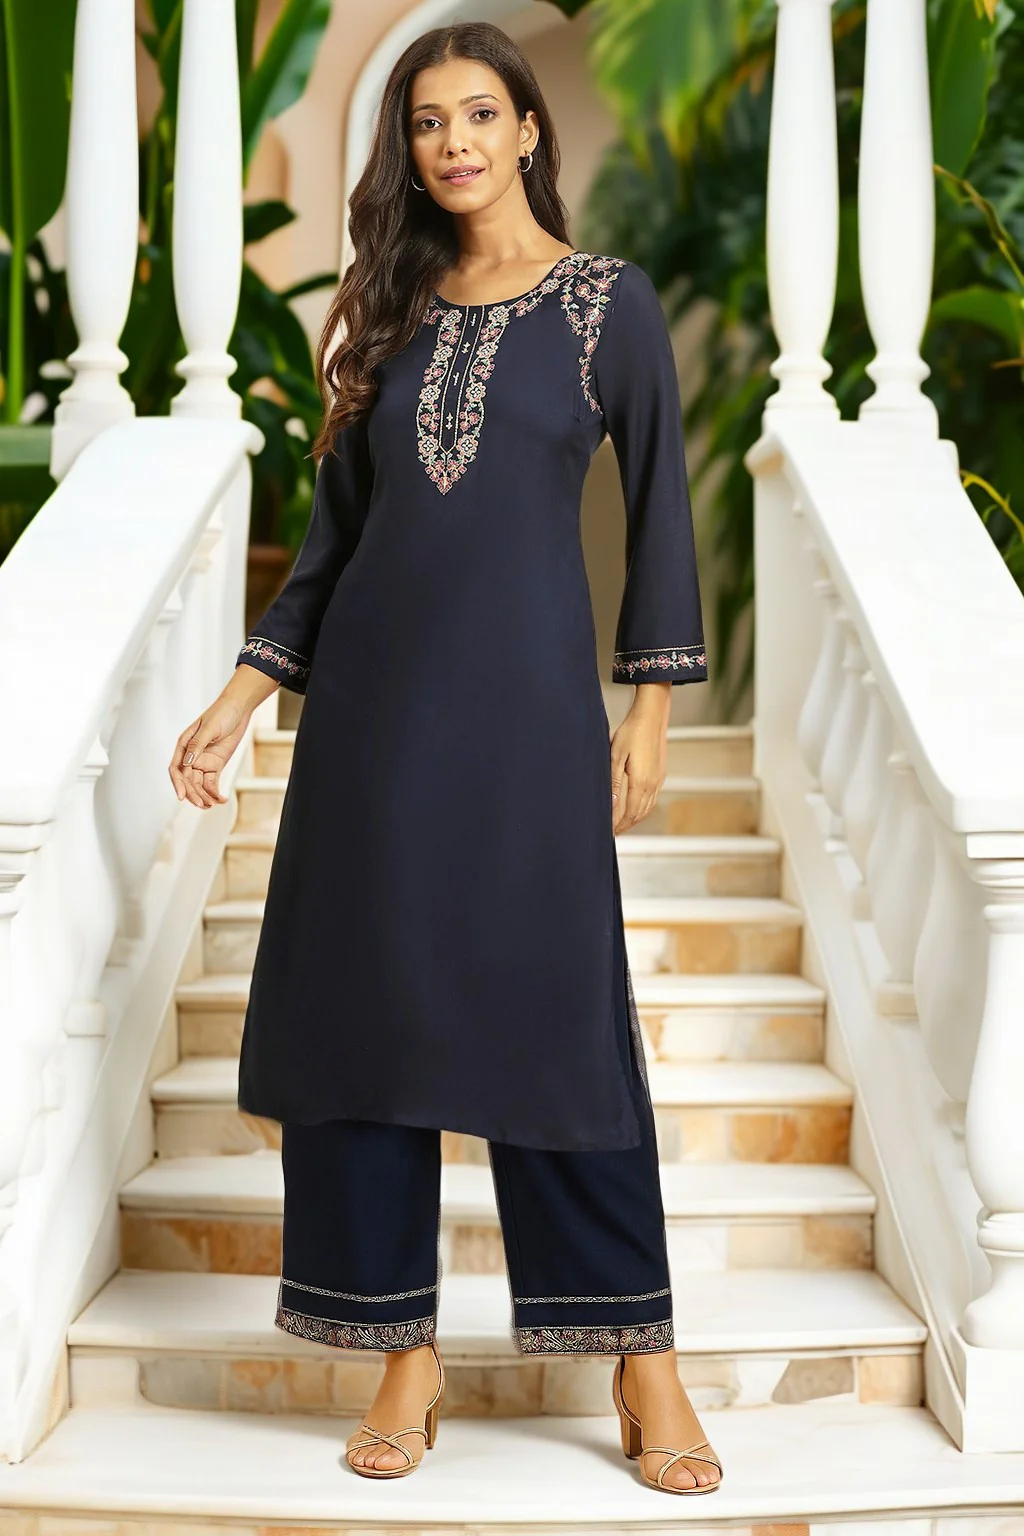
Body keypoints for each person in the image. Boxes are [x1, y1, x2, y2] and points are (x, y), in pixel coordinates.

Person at [168, 19, 719, 1498]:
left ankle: (641, 1356)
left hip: (528, 724)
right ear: (407, 150)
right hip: (369, 726)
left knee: (561, 1021)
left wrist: (650, 703)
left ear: (528, 129)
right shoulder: (393, 314)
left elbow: (661, 511)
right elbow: (334, 544)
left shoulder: (606, 305)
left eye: (480, 114)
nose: (455, 142)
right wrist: (241, 693)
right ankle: (401, 1356)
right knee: (364, 1024)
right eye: (427, 122)